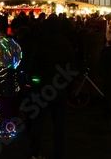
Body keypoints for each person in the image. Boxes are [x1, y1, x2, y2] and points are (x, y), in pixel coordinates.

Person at [24, 14, 75, 159]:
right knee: (59, 124)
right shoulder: (66, 44)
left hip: (43, 88)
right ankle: (59, 152)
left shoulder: (41, 43)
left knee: (38, 123)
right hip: (60, 88)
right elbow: (72, 67)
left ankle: (35, 152)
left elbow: (34, 67)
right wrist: (68, 88)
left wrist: (33, 84)